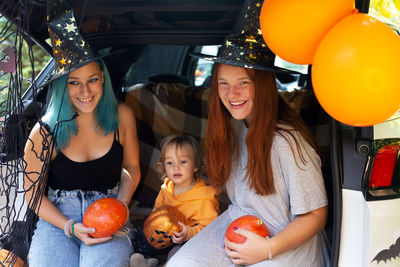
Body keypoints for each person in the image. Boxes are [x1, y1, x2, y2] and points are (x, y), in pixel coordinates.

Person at [167, 0, 329, 266]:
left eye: (244, 82)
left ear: (263, 86)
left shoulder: (287, 141)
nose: (233, 94)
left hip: (286, 239)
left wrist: (268, 248)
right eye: (224, 84)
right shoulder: (232, 124)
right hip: (239, 221)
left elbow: (315, 216)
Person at [23, 6, 140, 267]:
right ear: (61, 85)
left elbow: (131, 168)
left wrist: (120, 205)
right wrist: (70, 227)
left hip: (107, 207)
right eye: (73, 82)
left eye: (92, 79)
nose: (85, 90)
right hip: (57, 217)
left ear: (103, 80)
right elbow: (32, 195)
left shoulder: (122, 116)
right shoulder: (44, 132)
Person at [130, 135, 220, 266]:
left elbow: (210, 228)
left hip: (189, 239)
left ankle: (165, 262)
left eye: (183, 162)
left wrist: (188, 233)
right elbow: (157, 211)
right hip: (165, 236)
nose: (176, 167)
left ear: (196, 165)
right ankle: (146, 258)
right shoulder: (167, 188)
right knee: (141, 234)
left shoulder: (204, 198)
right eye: (170, 163)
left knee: (178, 254)